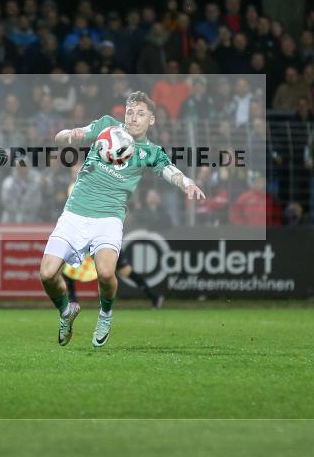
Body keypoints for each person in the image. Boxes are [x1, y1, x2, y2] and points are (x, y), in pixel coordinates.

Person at [39, 91, 205, 348]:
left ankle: (105, 316)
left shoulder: (150, 151)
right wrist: (70, 135)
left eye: (140, 114)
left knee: (106, 273)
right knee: (47, 274)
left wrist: (187, 182)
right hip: (75, 213)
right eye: (130, 112)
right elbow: (62, 138)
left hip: (109, 218)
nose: (133, 118)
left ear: (151, 120)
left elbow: (171, 171)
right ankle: (66, 312)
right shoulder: (106, 127)